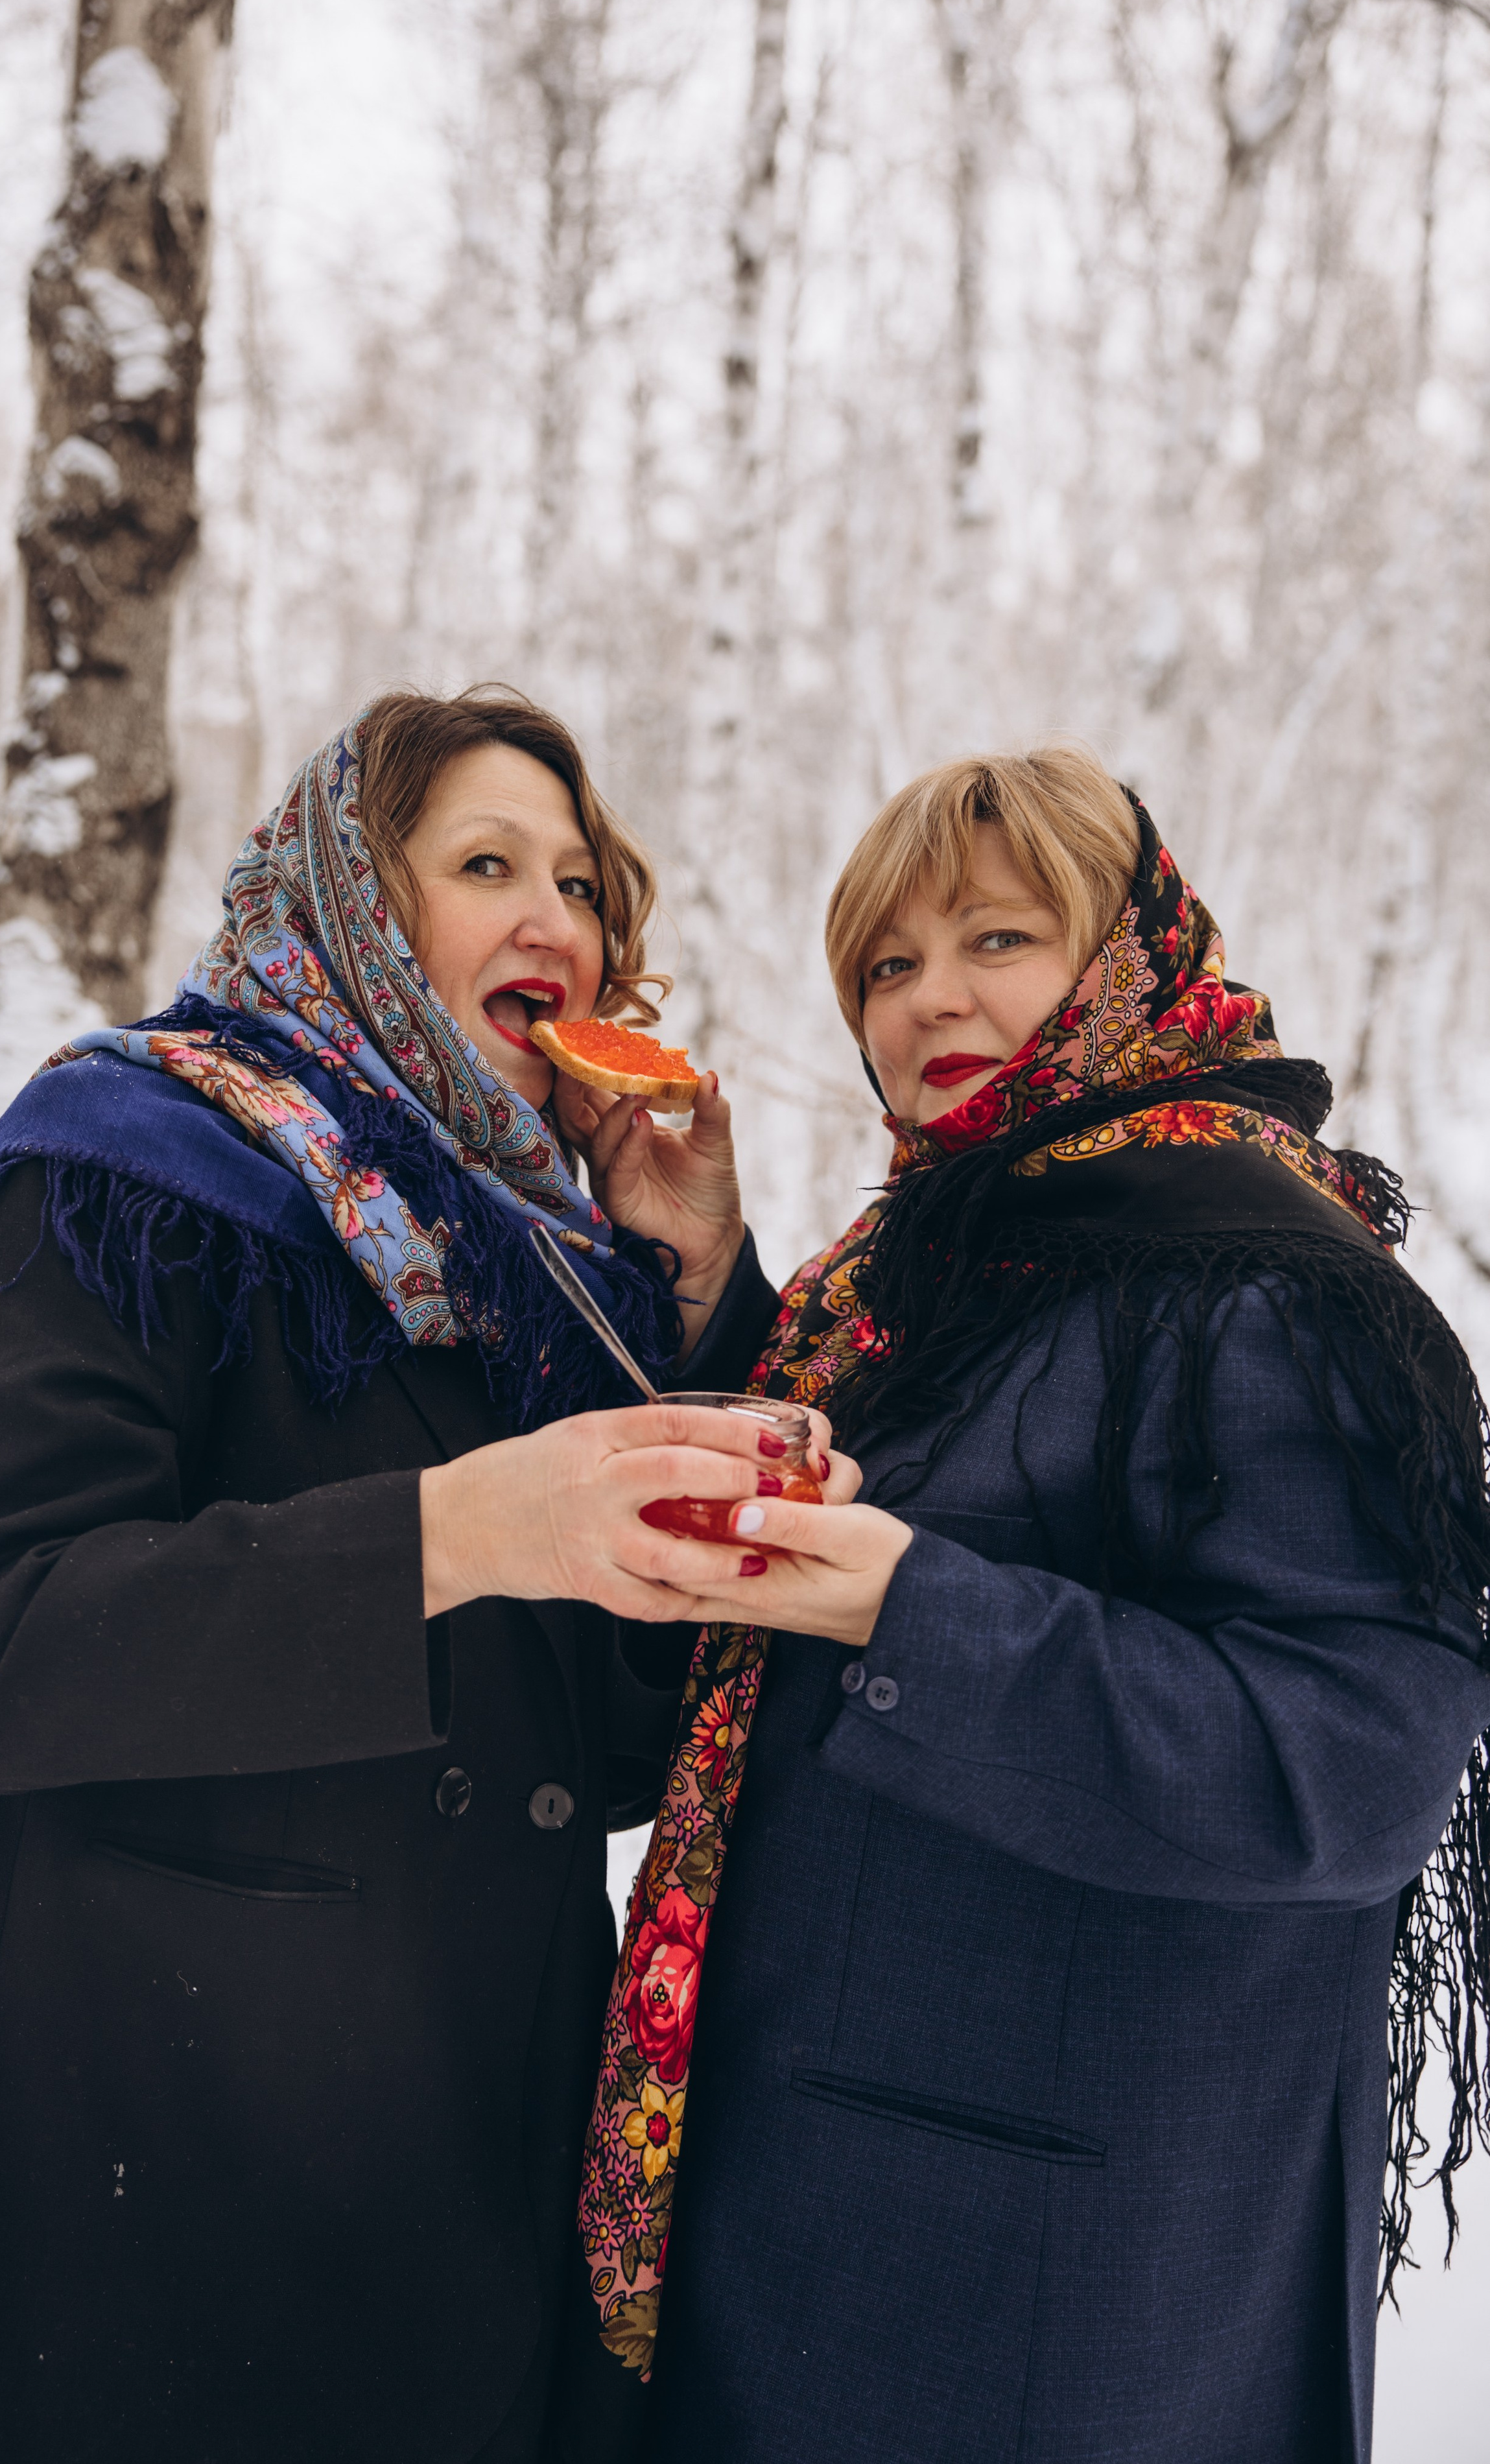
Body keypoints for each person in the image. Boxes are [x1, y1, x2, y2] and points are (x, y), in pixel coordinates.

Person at [0, 687, 816, 2464]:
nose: (558, 925)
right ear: (352, 901)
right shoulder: (120, 1164)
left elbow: (618, 1732)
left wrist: (696, 1291)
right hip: (145, 2169)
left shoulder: (532, 1248)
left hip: (444, 2165)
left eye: (583, 885)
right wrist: (461, 1535)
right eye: (487, 865)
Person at [576, 747, 1490, 2462]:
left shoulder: (1265, 1284)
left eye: (996, 938)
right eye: (887, 966)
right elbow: (880, 1499)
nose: (932, 1002)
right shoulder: (947, 1255)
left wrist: (914, 1615)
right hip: (847, 2187)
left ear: (1132, 957)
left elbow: (1347, 1766)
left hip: (1047, 2261)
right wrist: (714, 1285)